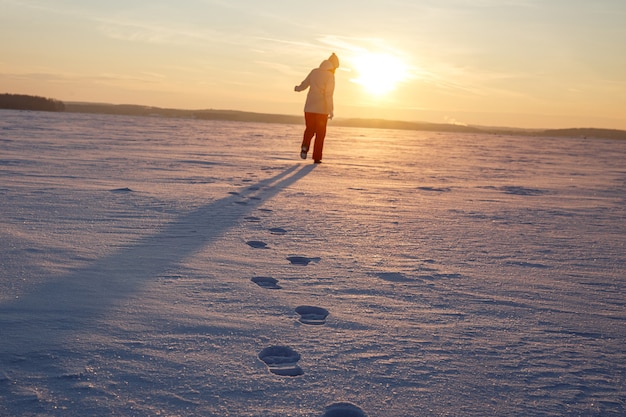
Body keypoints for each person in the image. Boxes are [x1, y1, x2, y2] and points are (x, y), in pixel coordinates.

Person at [294, 53, 339, 163]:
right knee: (320, 134)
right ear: (333, 66)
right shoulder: (330, 76)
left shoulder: (314, 72)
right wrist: (330, 110)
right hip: (322, 110)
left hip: (309, 107)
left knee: (309, 129)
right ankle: (317, 157)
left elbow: (305, 84)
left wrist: (298, 88)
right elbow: (328, 95)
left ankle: (305, 146)